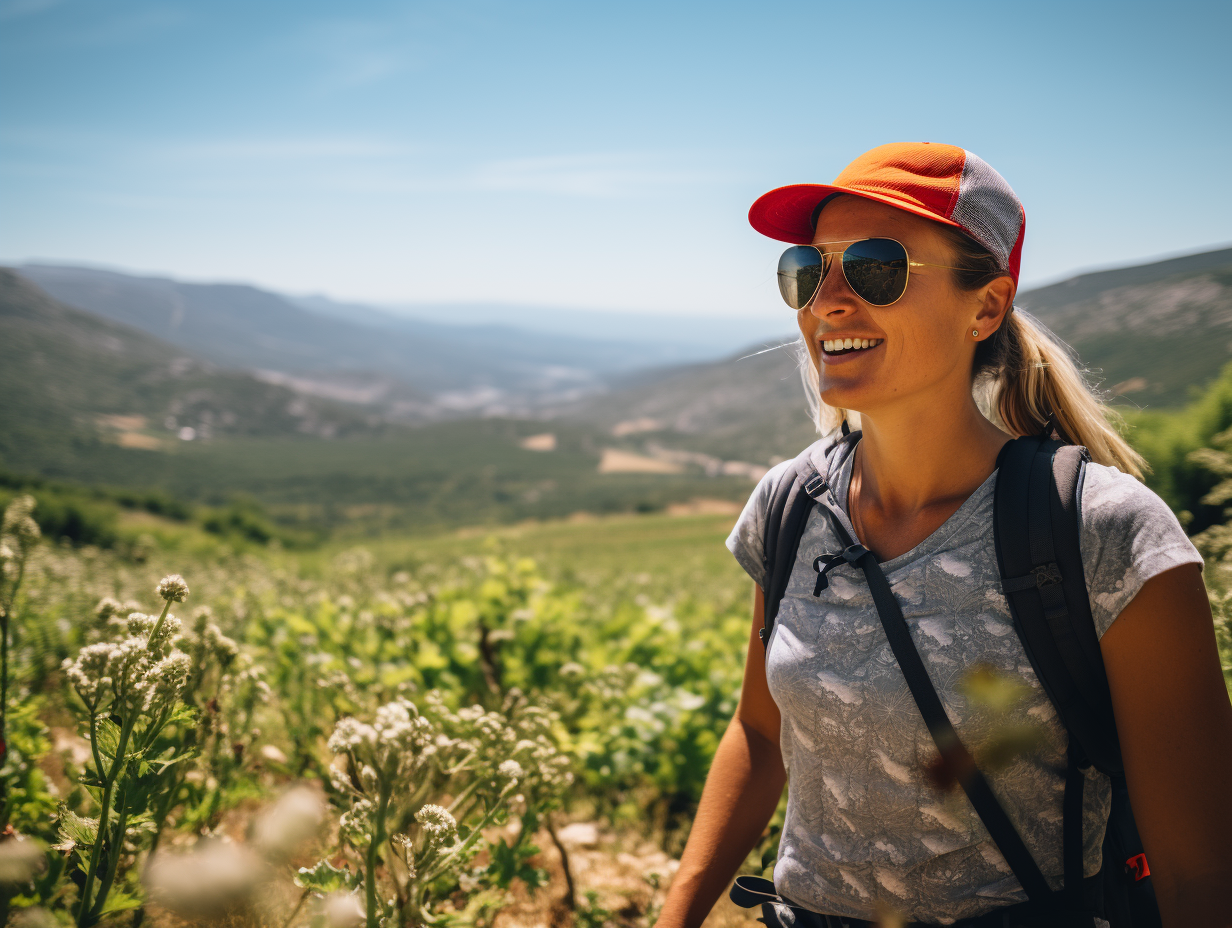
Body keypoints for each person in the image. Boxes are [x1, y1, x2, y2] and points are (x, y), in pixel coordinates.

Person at [653, 143, 1232, 928]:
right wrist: (677, 912)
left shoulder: (1107, 534)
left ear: (986, 307)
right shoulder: (792, 504)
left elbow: (1200, 873)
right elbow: (760, 731)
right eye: (806, 268)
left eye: (875, 268)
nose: (826, 301)